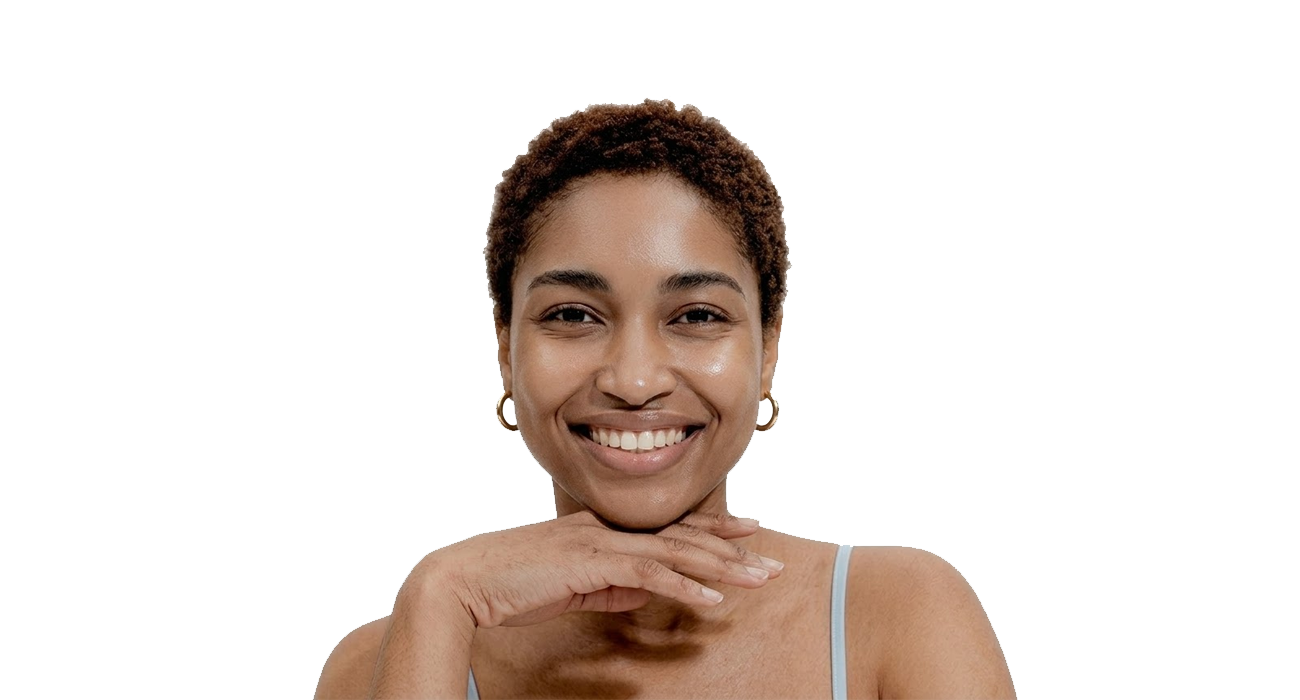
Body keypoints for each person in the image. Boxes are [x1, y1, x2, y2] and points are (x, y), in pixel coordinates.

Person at [314, 100, 1015, 699]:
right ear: (506, 350)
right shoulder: (387, 658)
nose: (635, 379)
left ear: (768, 350)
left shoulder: (901, 618)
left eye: (698, 316)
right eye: (573, 315)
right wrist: (441, 593)